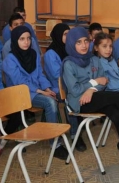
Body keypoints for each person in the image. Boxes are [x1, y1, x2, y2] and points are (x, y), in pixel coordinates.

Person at [62, 27, 119, 177]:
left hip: (96, 97)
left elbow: (104, 81)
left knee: (117, 115)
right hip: (79, 103)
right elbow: (76, 90)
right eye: (78, 42)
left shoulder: (94, 59)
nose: (83, 45)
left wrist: (92, 89)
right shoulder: (68, 64)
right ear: (71, 44)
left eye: (85, 41)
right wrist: (94, 82)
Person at [2, 26, 68, 160]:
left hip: (36, 91)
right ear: (15, 40)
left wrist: (47, 88)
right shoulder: (10, 59)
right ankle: (55, 144)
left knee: (56, 95)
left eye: (28, 38)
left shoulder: (34, 54)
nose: (26, 42)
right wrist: (41, 91)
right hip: (19, 94)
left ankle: (51, 130)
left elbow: (40, 75)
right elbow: (19, 81)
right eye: (22, 39)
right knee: (50, 102)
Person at [43, 23, 85, 152]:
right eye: (65, 34)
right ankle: (75, 134)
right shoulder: (51, 53)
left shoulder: (70, 49)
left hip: (72, 84)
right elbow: (58, 75)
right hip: (57, 87)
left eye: (69, 33)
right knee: (70, 99)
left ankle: (79, 124)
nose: (68, 36)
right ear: (58, 35)